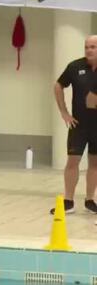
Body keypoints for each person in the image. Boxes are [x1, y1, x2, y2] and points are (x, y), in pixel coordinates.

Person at [52, 35, 97, 215]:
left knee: (94, 164)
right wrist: (64, 113)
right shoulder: (75, 66)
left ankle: (90, 200)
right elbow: (58, 85)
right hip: (79, 125)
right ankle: (68, 201)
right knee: (73, 161)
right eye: (87, 46)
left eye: (93, 47)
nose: (89, 50)